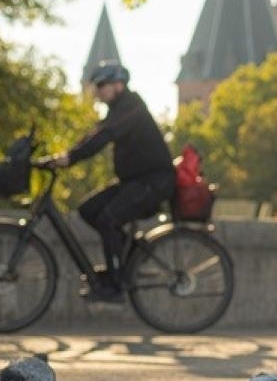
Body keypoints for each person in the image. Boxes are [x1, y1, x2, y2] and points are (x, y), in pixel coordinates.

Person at [35, 62, 174, 301]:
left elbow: (104, 137)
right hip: (134, 182)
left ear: (118, 85)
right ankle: (131, 257)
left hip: (154, 182)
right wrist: (67, 154)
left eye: (101, 85)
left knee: (109, 219)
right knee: (88, 210)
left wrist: (71, 159)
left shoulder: (131, 107)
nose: (98, 91)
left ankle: (116, 284)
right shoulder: (117, 110)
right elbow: (94, 134)